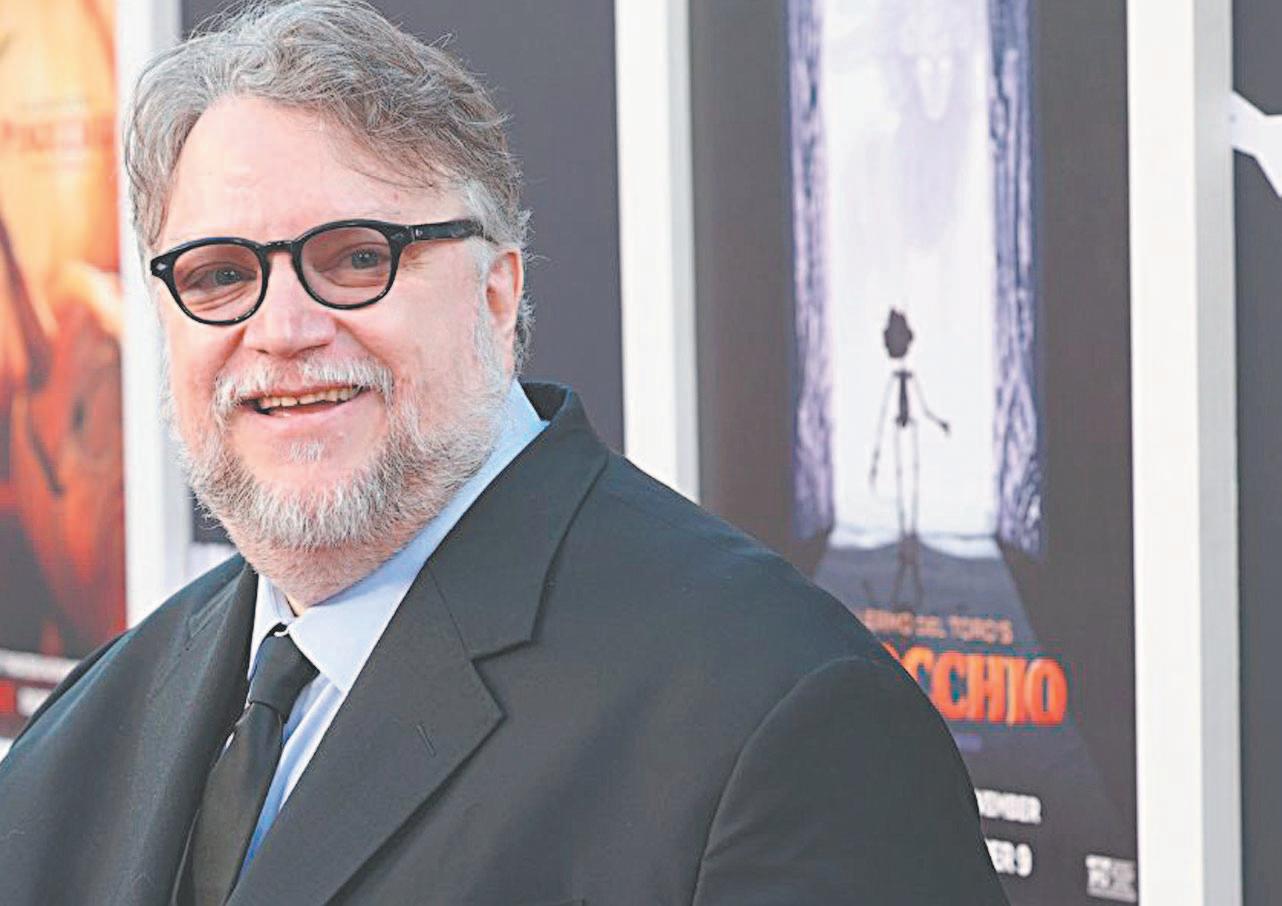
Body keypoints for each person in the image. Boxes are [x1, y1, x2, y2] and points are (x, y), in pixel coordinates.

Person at [0, 2, 1008, 903]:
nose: (283, 329)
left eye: (356, 258)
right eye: (220, 275)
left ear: (497, 293)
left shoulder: (779, 724)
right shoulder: (88, 727)